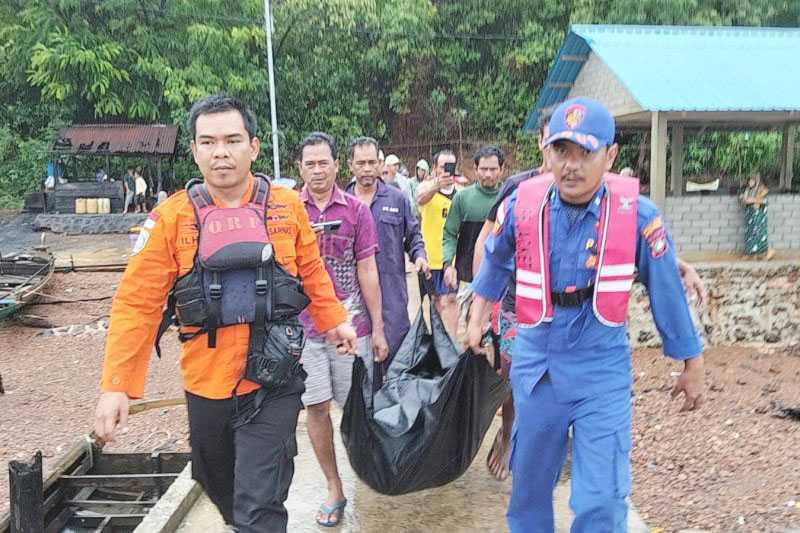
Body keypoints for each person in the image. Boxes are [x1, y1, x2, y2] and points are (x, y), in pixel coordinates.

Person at [94, 95, 357, 533]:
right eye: (209, 142)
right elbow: (137, 303)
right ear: (195, 150)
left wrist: (334, 321)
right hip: (206, 384)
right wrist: (117, 386)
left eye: (233, 140)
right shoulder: (171, 217)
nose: (221, 152)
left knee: (259, 505)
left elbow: (311, 270)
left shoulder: (287, 205)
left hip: (274, 380)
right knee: (216, 483)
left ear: (253, 147)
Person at [466, 97, 705, 532]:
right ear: (546, 152)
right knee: (529, 490)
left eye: (585, 153)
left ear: (610, 156)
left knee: (601, 498)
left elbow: (665, 288)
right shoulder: (523, 205)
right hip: (539, 365)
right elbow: (496, 258)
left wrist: (692, 362)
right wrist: (476, 315)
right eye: (562, 151)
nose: (571, 166)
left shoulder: (638, 215)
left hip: (601, 368)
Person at [295, 132, 388, 528]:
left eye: (324, 162)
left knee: (356, 408)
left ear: (337, 165)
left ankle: (368, 470)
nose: (317, 170)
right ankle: (334, 487)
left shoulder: (355, 211)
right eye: (310, 163)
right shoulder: (287, 211)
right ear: (300, 167)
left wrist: (379, 328)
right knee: (316, 408)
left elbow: (368, 269)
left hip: (352, 327)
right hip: (303, 330)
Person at [345, 137, 429, 360]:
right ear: (349, 165)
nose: (367, 169)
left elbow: (413, 235)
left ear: (380, 164)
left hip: (392, 296)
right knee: (358, 366)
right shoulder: (342, 205)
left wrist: (419, 256)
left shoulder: (397, 199)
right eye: (361, 163)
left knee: (395, 361)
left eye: (372, 162)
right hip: (352, 298)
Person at [442, 145, 505, 332]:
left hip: (502, 277)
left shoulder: (510, 198)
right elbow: (450, 234)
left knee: (499, 328)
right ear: (475, 169)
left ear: (502, 170)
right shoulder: (463, 198)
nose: (488, 174)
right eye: (483, 169)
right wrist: (448, 265)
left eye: (493, 169)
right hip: (468, 276)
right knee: (471, 325)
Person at [416, 149, 459, 337]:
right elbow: (420, 198)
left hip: (451, 262)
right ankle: (439, 344)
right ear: (434, 168)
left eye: (451, 166)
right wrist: (436, 185)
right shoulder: (426, 189)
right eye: (443, 167)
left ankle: (450, 346)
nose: (447, 171)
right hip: (430, 260)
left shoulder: (461, 194)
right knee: (435, 303)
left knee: (449, 301)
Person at [740, 173, 775, 260]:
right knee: (750, 234)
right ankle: (751, 253)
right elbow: (742, 200)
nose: (750, 182)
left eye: (752, 180)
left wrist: (752, 200)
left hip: (759, 216)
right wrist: (744, 199)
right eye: (749, 181)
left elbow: (765, 201)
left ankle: (768, 251)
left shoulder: (763, 189)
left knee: (759, 234)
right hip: (750, 215)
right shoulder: (748, 190)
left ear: (757, 180)